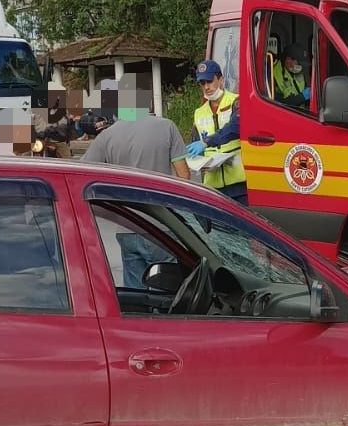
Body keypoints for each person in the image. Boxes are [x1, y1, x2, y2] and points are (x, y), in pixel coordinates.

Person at [82, 76, 190, 289]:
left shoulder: (107, 136)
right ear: (148, 101)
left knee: (136, 295)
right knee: (166, 292)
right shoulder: (167, 127)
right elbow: (184, 175)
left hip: (127, 225)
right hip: (162, 226)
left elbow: (85, 174)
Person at [187, 59, 248, 205]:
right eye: (202, 84)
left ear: (220, 80)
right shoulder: (199, 113)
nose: (206, 87)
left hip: (239, 182)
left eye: (210, 81)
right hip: (213, 187)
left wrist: (206, 142)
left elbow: (235, 128)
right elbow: (194, 143)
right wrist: (197, 162)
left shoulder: (237, 102)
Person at [272, 43, 310, 108]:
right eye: (298, 64)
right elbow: (279, 103)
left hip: (301, 113)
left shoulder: (296, 71)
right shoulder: (274, 75)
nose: (300, 67)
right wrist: (302, 97)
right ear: (288, 60)